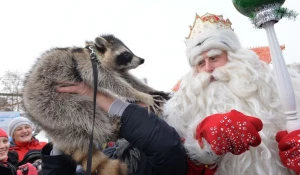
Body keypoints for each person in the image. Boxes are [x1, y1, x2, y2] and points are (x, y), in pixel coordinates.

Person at [163, 14, 300, 175]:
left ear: (235, 57)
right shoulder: (182, 114)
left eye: (214, 58)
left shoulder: (283, 89)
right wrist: (203, 148)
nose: (208, 68)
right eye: (200, 63)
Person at [40, 82, 187, 175]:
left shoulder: (178, 151)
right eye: (133, 105)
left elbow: (163, 145)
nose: (141, 112)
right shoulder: (112, 153)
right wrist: (61, 143)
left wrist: (96, 96)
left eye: (144, 108)